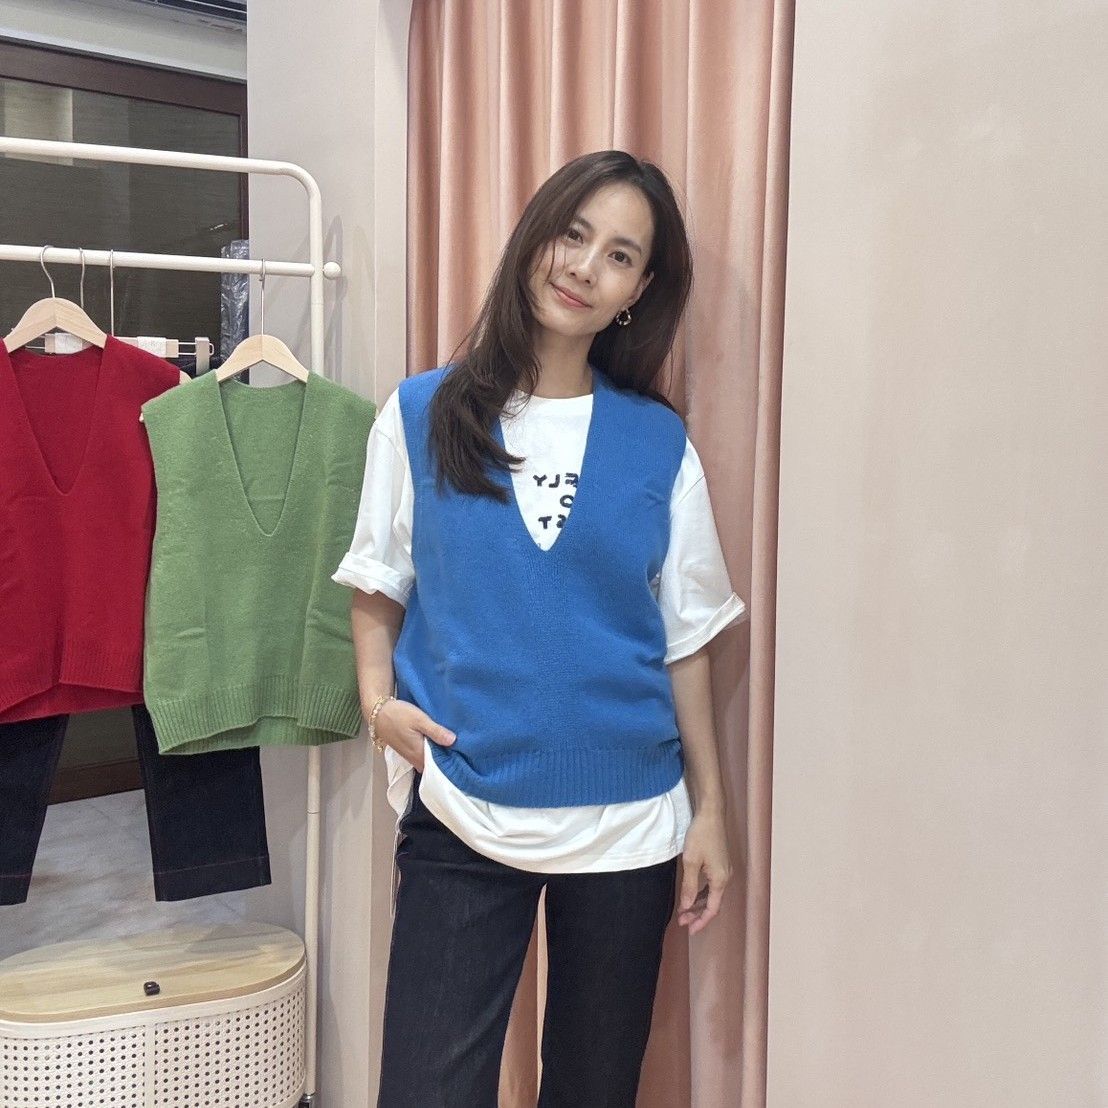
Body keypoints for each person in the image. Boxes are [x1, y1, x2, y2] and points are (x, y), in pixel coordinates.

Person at [333, 149, 748, 1108]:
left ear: (637, 292)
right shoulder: (421, 413)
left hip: (629, 822)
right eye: (573, 234)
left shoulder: (658, 442)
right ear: (535, 238)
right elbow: (376, 585)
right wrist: (378, 707)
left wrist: (711, 813)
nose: (584, 267)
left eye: (619, 256)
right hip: (462, 802)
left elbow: (685, 641)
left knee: (594, 1090)